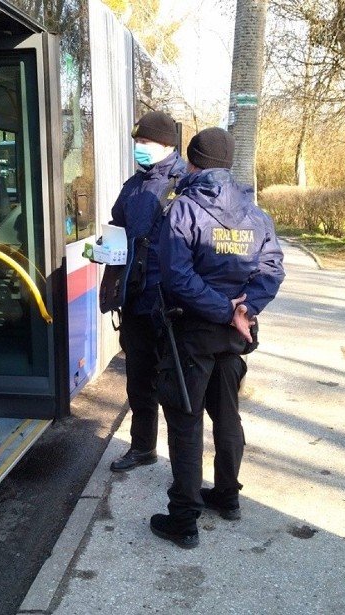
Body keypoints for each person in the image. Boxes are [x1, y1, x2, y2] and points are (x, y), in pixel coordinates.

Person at [150, 127, 285, 548]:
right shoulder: (255, 213)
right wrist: (245, 310)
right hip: (234, 337)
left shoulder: (184, 210)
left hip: (193, 332)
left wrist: (228, 311)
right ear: (227, 164)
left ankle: (184, 518)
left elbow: (177, 278)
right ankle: (227, 496)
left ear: (192, 161)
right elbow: (272, 268)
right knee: (227, 415)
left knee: (186, 421)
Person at [108, 111, 188, 473]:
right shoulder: (135, 184)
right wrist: (106, 250)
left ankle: (183, 466)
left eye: (146, 143)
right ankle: (142, 448)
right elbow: (118, 225)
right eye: (137, 142)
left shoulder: (185, 184)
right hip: (136, 298)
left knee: (174, 386)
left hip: (170, 304)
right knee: (139, 381)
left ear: (168, 145)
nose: (139, 148)